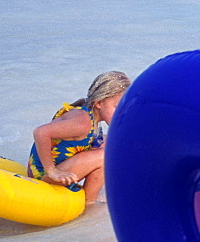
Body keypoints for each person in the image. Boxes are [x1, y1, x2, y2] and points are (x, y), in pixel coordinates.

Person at [28, 71, 132, 205]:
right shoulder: (83, 122)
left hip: (58, 169)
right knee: (105, 155)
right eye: (117, 107)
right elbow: (40, 132)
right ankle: (89, 202)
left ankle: (89, 199)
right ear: (99, 103)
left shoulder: (92, 120)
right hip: (43, 176)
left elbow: (103, 142)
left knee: (109, 146)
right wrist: (52, 171)